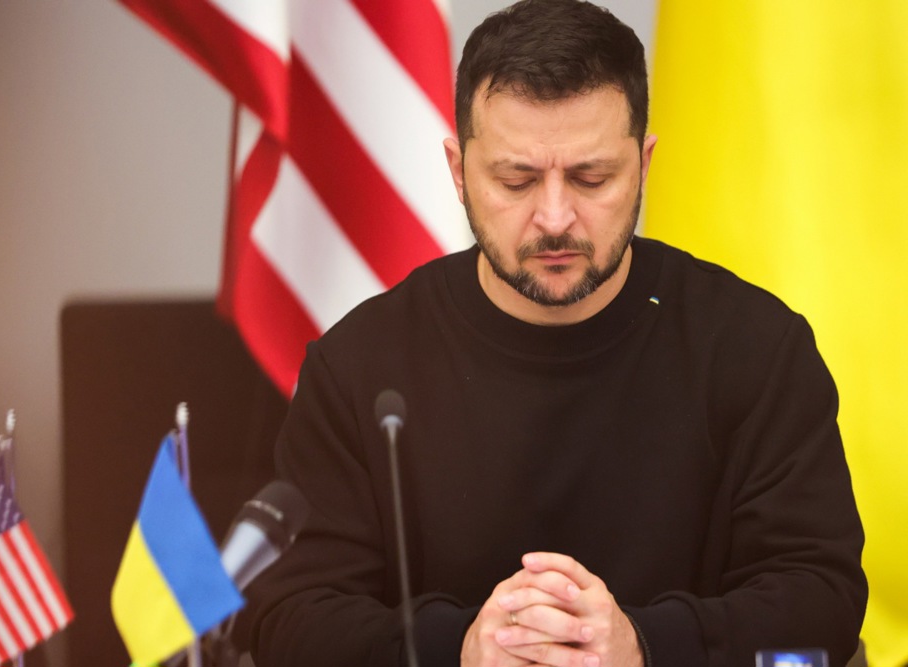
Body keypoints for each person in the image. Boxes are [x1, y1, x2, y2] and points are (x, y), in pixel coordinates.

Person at [247, 1, 868, 665]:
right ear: (458, 171)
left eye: (590, 178)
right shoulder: (358, 365)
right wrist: (461, 647)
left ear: (644, 165)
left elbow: (821, 594)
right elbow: (288, 614)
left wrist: (642, 645)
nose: (554, 217)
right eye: (515, 179)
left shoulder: (755, 348)